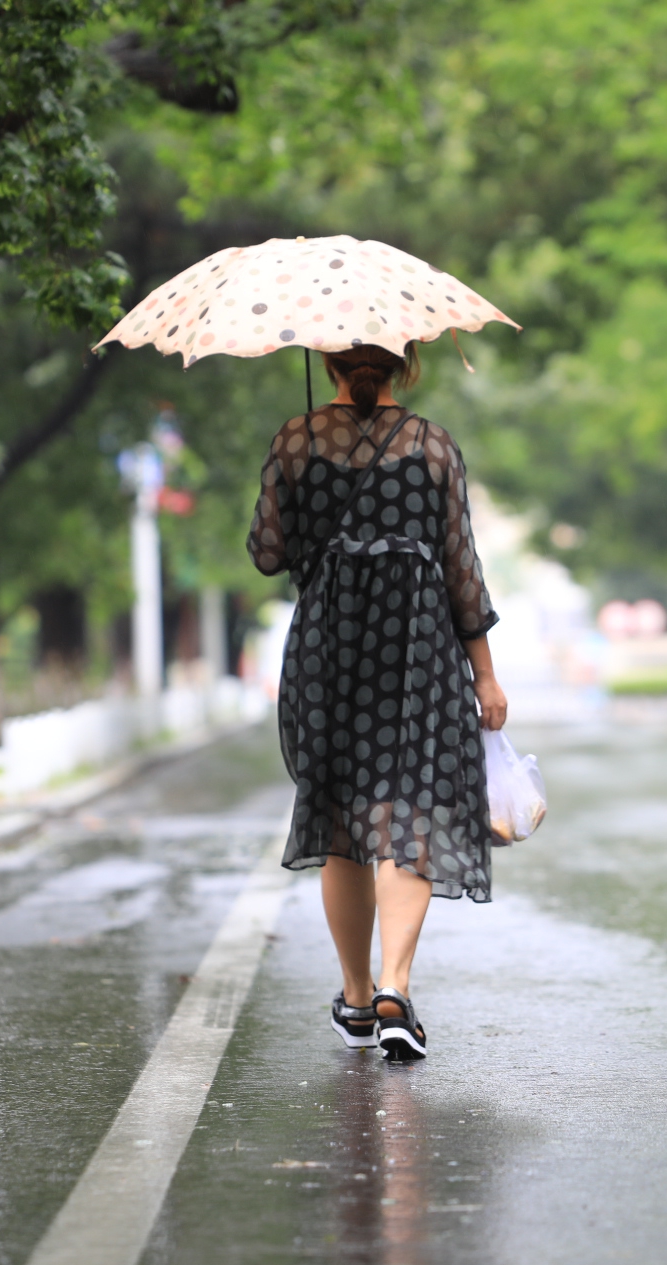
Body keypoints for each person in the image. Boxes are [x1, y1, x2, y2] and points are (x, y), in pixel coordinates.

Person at [247, 341, 507, 1062]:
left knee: (340, 817)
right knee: (412, 807)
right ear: (406, 363)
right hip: (418, 641)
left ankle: (358, 996)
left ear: (327, 364)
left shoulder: (297, 439)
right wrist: (485, 675)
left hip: (330, 644)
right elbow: (463, 569)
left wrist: (308, 492)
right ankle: (396, 987)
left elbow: (268, 551)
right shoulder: (432, 445)